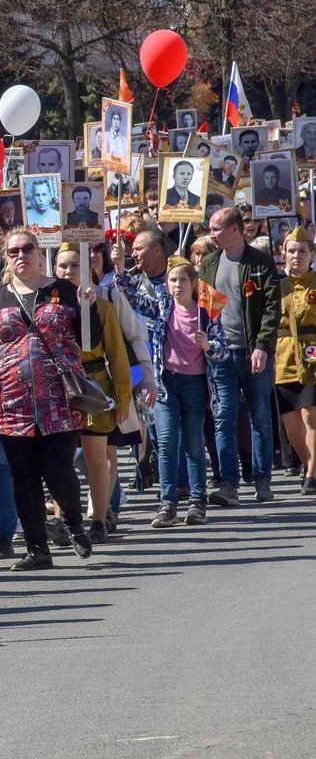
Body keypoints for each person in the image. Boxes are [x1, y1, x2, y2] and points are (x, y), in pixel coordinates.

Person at [0, 231, 91, 570]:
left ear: (40, 254)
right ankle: (38, 548)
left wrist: (91, 304)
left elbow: (90, 339)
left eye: (27, 249)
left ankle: (73, 520)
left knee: (59, 471)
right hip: (10, 406)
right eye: (13, 251)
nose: (20, 255)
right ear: (5, 257)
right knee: (22, 478)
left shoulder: (65, 292)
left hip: (59, 403)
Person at [135, 256, 226, 527]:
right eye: (173, 280)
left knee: (194, 444)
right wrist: (120, 268)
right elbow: (131, 296)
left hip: (195, 384)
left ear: (193, 282)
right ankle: (167, 504)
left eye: (183, 280)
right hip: (166, 384)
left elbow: (222, 349)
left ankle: (197, 502)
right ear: (166, 283)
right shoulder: (162, 307)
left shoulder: (205, 313)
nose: (177, 285)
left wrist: (208, 345)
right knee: (166, 442)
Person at [199, 207, 279, 505]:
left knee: (260, 416)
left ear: (235, 229)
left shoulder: (258, 261)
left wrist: (262, 346)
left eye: (217, 228)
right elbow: (207, 309)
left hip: (254, 352)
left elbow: (272, 307)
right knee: (224, 417)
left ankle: (262, 479)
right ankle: (228, 484)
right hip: (222, 354)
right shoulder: (209, 264)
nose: (213, 234)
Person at [53, 246, 133, 542]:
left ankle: (98, 519)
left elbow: (117, 356)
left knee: (97, 457)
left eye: (75, 266)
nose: (67, 272)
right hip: (59, 388)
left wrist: (123, 398)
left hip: (94, 384)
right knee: (61, 459)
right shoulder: (49, 306)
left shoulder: (102, 307)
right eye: (62, 266)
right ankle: (62, 520)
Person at [275, 228, 316, 497]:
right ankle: (307, 464)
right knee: (291, 424)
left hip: (313, 353)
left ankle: (312, 473)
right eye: (291, 251)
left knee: (309, 416)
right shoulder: (276, 285)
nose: (296, 256)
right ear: (283, 254)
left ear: (311, 254)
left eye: (302, 251)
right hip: (283, 357)